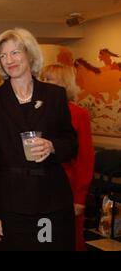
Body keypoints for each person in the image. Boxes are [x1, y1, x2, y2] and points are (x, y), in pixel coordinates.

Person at [0, 28, 78, 251]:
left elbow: (71, 143)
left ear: (30, 54)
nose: (9, 60)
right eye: (3, 56)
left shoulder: (54, 96)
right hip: (10, 204)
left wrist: (52, 146)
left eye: (15, 53)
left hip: (52, 200)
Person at [41, 63, 95, 251]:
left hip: (68, 186)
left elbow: (85, 158)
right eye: (42, 78)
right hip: (41, 187)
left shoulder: (78, 114)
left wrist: (80, 197)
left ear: (63, 84)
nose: (43, 83)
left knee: (70, 238)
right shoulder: (38, 111)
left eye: (48, 79)